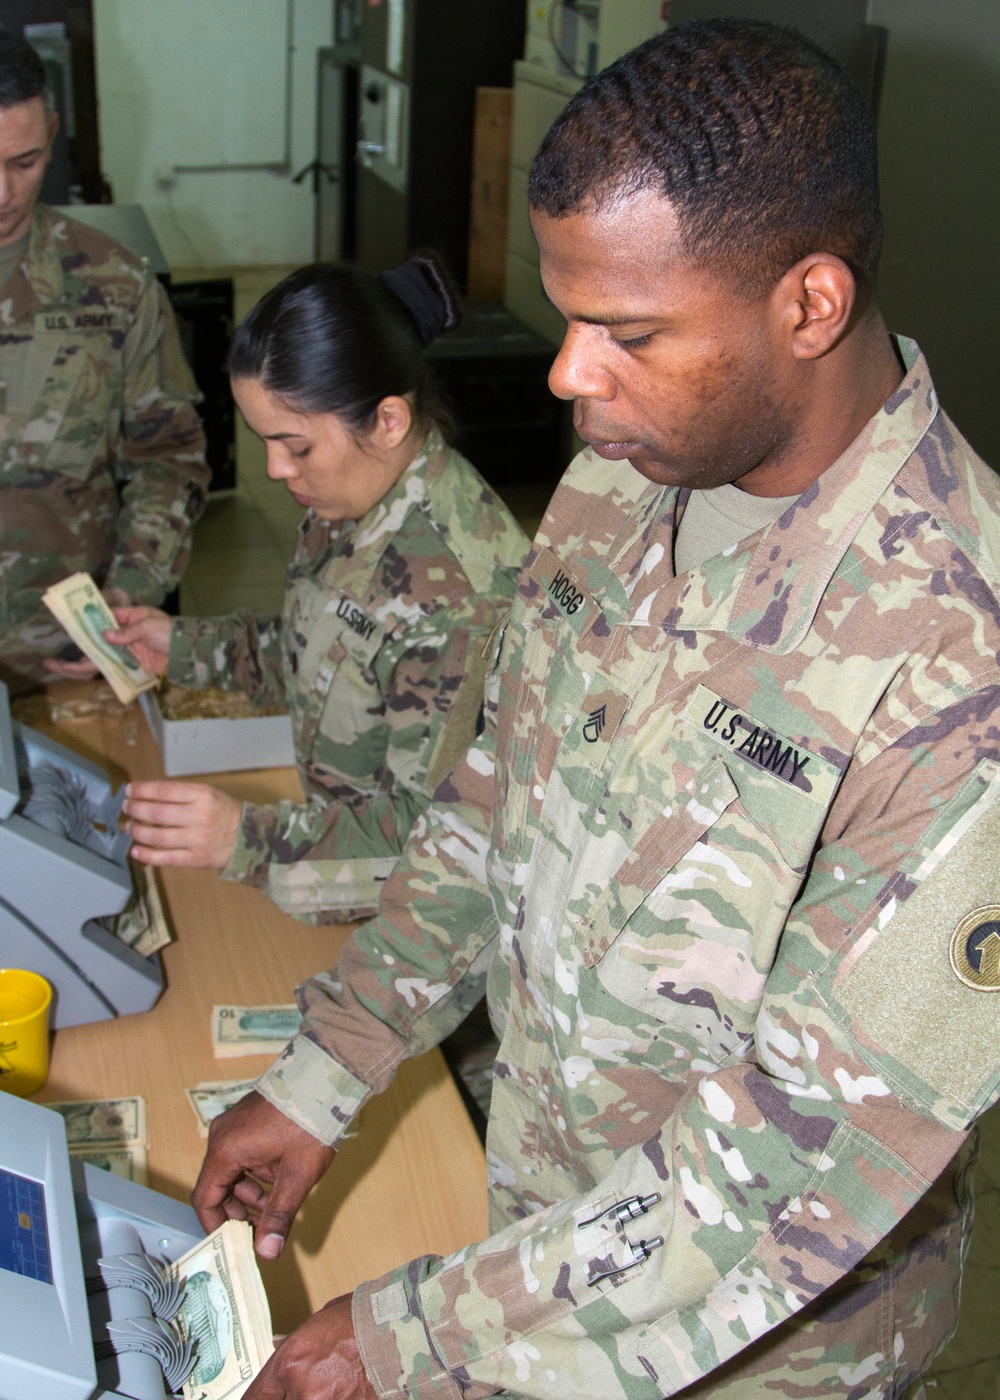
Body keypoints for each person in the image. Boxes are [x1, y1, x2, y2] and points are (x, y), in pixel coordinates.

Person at [192, 20, 1000, 1399]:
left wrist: (416, 1337)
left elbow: (790, 1173)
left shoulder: (956, 669)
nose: (569, 375)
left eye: (627, 332)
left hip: (760, 1347)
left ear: (808, 304)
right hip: (545, 1240)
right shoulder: (625, 483)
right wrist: (331, 1067)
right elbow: (492, 807)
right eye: (569, 317)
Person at [111, 255, 527, 923]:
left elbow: (439, 840)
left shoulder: (456, 601)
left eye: (295, 446)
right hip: (335, 873)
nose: (276, 469)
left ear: (388, 421)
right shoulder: (357, 493)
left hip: (415, 930)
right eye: (267, 442)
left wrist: (243, 840)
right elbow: (325, 654)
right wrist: (183, 648)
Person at [0, 33, 209, 696]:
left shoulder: (114, 289)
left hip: (60, 664)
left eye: (25, 162)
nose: (2, 192)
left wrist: (126, 599)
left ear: (53, 135)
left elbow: (169, 462)